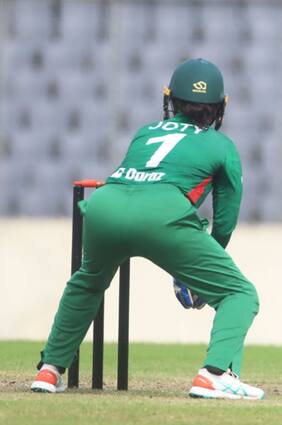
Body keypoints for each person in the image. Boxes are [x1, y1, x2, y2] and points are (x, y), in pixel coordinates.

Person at [31, 58, 264, 400]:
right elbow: (225, 219)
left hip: (102, 205)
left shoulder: (146, 131)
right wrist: (201, 270)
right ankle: (214, 374)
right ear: (219, 108)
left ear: (171, 101)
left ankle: (49, 370)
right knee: (239, 294)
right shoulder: (222, 146)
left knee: (87, 283)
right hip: (163, 213)